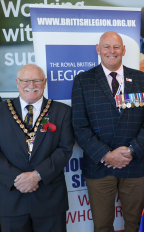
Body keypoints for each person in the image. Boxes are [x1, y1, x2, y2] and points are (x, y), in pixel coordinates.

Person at [71, 31, 144, 232]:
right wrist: (106, 155)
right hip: (99, 165)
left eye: (116, 47)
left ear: (124, 50)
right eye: (107, 47)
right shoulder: (83, 81)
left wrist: (131, 151)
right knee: (102, 225)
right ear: (98, 50)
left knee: (135, 223)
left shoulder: (142, 79)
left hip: (133, 163)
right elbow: (79, 125)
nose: (112, 51)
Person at [0, 64, 74, 232]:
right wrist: (17, 178)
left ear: (45, 82)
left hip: (50, 199)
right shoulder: (1, 111)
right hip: (11, 198)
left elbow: (65, 149)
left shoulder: (63, 112)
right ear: (17, 82)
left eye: (37, 81)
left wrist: (37, 175)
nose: (31, 85)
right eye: (26, 81)